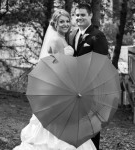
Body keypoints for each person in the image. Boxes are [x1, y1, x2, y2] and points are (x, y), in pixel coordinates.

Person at [13, 9, 96, 150]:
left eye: (67, 21)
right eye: (61, 22)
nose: (65, 24)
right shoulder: (57, 40)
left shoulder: (63, 38)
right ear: (55, 24)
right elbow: (61, 68)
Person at [68, 3, 109, 150]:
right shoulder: (73, 35)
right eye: (77, 15)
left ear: (90, 15)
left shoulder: (97, 36)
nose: (79, 18)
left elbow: (102, 64)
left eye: (83, 15)